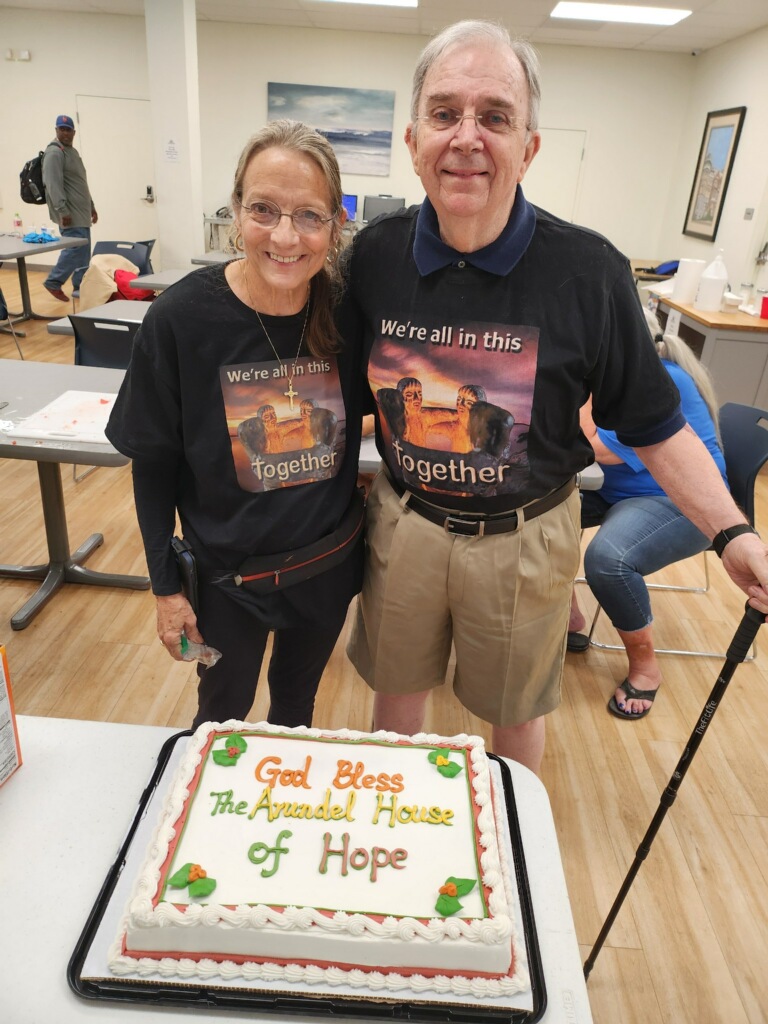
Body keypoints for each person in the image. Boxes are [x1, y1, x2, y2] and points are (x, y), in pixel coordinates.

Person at [342, 19, 768, 773]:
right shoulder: (372, 258)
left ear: (529, 147)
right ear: (413, 140)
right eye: (444, 114)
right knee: (394, 709)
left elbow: (655, 425)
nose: (466, 137)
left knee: (515, 722)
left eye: (495, 117)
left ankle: (511, 846)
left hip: (524, 541)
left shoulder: (590, 271)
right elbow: (335, 397)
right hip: (403, 528)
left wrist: (733, 534)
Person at [106, 119, 366, 729]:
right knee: (221, 716)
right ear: (234, 212)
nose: (285, 235)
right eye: (264, 209)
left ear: (335, 226)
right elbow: (153, 466)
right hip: (224, 586)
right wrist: (167, 589)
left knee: (297, 712)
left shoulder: (351, 315)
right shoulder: (180, 321)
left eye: (309, 215)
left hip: (324, 571)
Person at [568, 309, 728, 719]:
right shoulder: (610, 378)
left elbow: (591, 447)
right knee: (539, 509)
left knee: (608, 561)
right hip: (613, 489)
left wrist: (581, 396)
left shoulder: (657, 379)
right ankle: (568, 617)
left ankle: (645, 667)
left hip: (680, 502)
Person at [42, 114, 98, 302]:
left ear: (74, 132)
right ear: (56, 131)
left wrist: (91, 206)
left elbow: (80, 183)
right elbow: (52, 184)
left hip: (81, 212)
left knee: (83, 252)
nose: (65, 133)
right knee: (74, 249)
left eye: (68, 129)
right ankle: (54, 281)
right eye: (61, 129)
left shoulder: (72, 152)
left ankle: (79, 286)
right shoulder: (54, 152)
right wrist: (62, 210)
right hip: (69, 213)